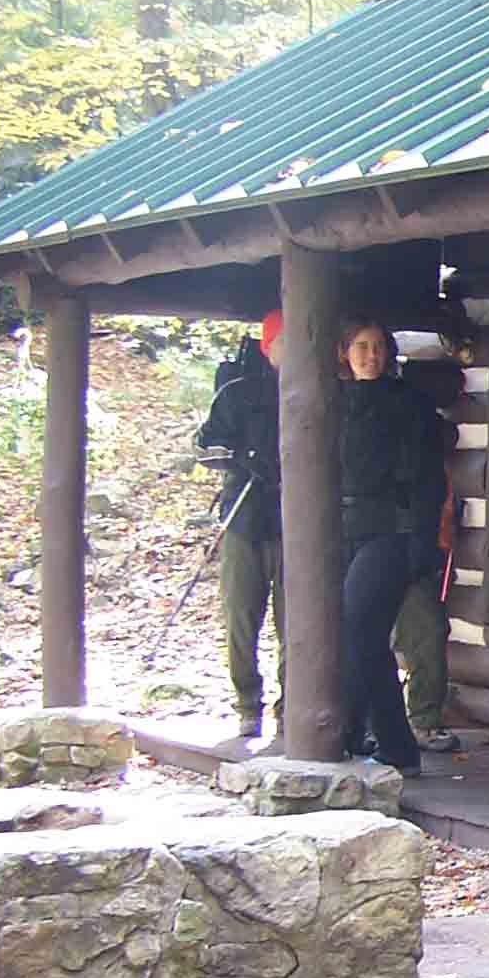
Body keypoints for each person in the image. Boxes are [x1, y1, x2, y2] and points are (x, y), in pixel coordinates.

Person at [336, 318, 435, 776]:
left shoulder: (406, 403)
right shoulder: (333, 401)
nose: (370, 355)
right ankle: (352, 732)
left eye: (378, 346)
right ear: (345, 352)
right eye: (361, 346)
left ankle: (398, 745)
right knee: (348, 634)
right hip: (345, 526)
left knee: (364, 631)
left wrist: (421, 537)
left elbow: (426, 476)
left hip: (392, 529)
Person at [197, 310, 285, 742]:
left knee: (297, 622)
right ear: (269, 346)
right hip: (245, 518)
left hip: (295, 524)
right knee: (240, 619)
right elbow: (207, 445)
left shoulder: (326, 389)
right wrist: (243, 458)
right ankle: (248, 703)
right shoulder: (237, 392)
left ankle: (296, 704)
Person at [389, 364, 459, 754]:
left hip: (413, 544)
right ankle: (364, 723)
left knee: (428, 631)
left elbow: (434, 494)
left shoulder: (425, 430)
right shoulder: (352, 415)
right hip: (366, 542)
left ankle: (425, 721)